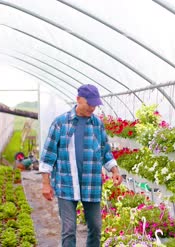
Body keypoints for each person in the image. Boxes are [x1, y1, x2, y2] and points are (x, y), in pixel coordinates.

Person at [39, 84, 123, 247]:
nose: (92, 108)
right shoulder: (61, 123)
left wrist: (115, 170)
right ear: (78, 99)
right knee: (69, 230)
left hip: (91, 184)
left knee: (96, 227)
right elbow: (48, 154)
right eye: (89, 103)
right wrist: (45, 184)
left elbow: (105, 150)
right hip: (66, 183)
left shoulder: (97, 124)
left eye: (95, 104)